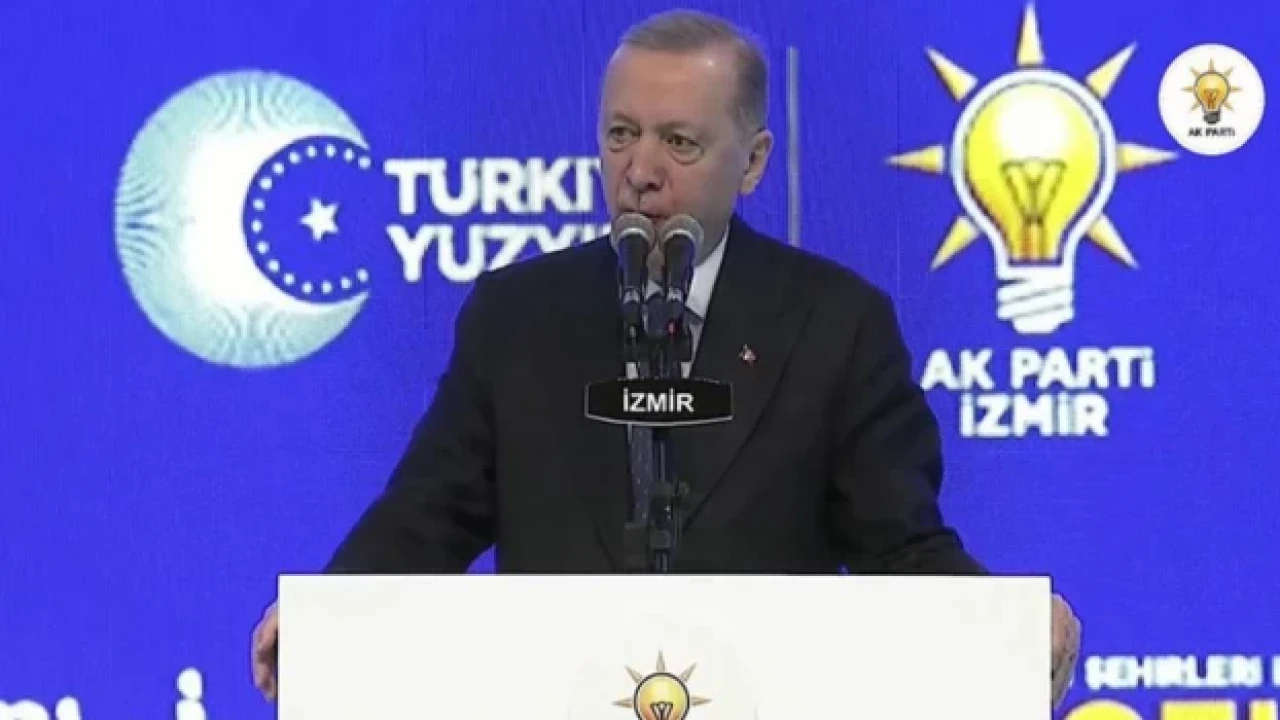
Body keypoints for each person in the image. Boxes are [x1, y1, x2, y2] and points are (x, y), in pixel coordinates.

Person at [251, 7, 1082, 706]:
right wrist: (329, 616)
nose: (640, 171)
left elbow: (898, 545)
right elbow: (426, 517)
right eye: (620, 135)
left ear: (752, 162)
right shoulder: (518, 317)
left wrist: (1003, 626)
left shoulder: (835, 323)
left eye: (679, 143)